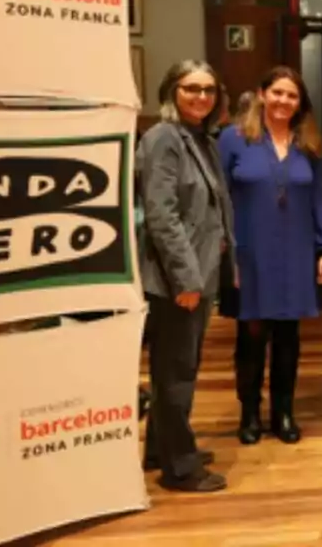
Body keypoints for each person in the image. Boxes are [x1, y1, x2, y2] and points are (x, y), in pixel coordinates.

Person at [218, 67, 322, 446]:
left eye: (292, 96)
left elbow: (319, 197)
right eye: (278, 93)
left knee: (288, 336)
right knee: (251, 336)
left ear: (300, 103)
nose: (284, 101)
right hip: (249, 251)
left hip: (296, 251)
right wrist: (226, 254)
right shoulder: (234, 139)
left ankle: (283, 411)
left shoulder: (309, 145)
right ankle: (249, 411)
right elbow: (217, 199)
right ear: (262, 94)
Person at [138, 60, 231, 493]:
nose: (201, 98)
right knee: (176, 371)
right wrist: (186, 280)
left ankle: (161, 448)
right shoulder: (162, 138)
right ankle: (180, 467)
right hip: (178, 278)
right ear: (172, 91)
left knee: (177, 365)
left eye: (209, 90)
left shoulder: (199, 138)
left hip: (203, 270)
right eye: (191, 89)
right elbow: (162, 215)